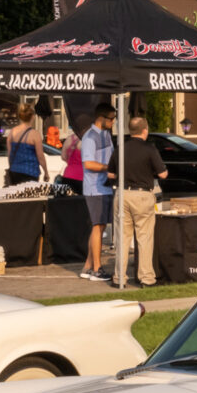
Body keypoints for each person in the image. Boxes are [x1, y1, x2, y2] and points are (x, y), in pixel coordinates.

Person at [116, 113, 169, 285]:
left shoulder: (120, 147)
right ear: (145, 130)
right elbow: (162, 173)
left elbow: (110, 173)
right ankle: (146, 278)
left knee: (122, 238)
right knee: (144, 238)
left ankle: (119, 278)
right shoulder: (149, 149)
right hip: (142, 194)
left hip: (122, 193)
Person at [78, 104, 116, 281]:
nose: (113, 122)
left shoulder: (107, 135)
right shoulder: (89, 138)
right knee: (97, 227)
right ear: (101, 118)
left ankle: (88, 266)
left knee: (99, 227)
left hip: (105, 186)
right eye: (111, 118)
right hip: (95, 188)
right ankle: (97, 268)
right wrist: (108, 168)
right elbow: (88, 164)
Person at [4, 103, 46, 186]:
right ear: (32, 117)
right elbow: (40, 156)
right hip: (31, 171)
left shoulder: (12, 132)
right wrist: (46, 172)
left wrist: (12, 167)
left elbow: (10, 154)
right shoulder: (35, 134)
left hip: (15, 172)